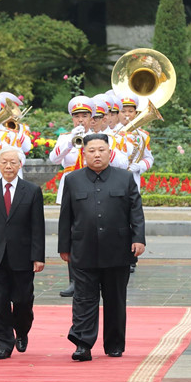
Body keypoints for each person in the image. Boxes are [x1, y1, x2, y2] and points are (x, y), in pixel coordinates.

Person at [58, 133, 145, 361]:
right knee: (84, 299)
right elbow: (65, 216)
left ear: (109, 151)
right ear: (84, 153)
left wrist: (139, 239)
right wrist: (63, 246)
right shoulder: (72, 179)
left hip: (118, 249)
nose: (97, 154)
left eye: (101, 150)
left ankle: (114, 344)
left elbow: (135, 211)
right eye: (92, 150)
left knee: (115, 299)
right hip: (83, 248)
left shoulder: (124, 179)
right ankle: (82, 344)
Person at [0, 145, 45, 359]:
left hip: (23, 256)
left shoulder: (31, 191)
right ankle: (2, 343)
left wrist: (38, 256)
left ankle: (21, 331)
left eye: (13, 162)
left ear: (20, 164)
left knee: (23, 301)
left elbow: (37, 227)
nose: (8, 166)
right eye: (4, 162)